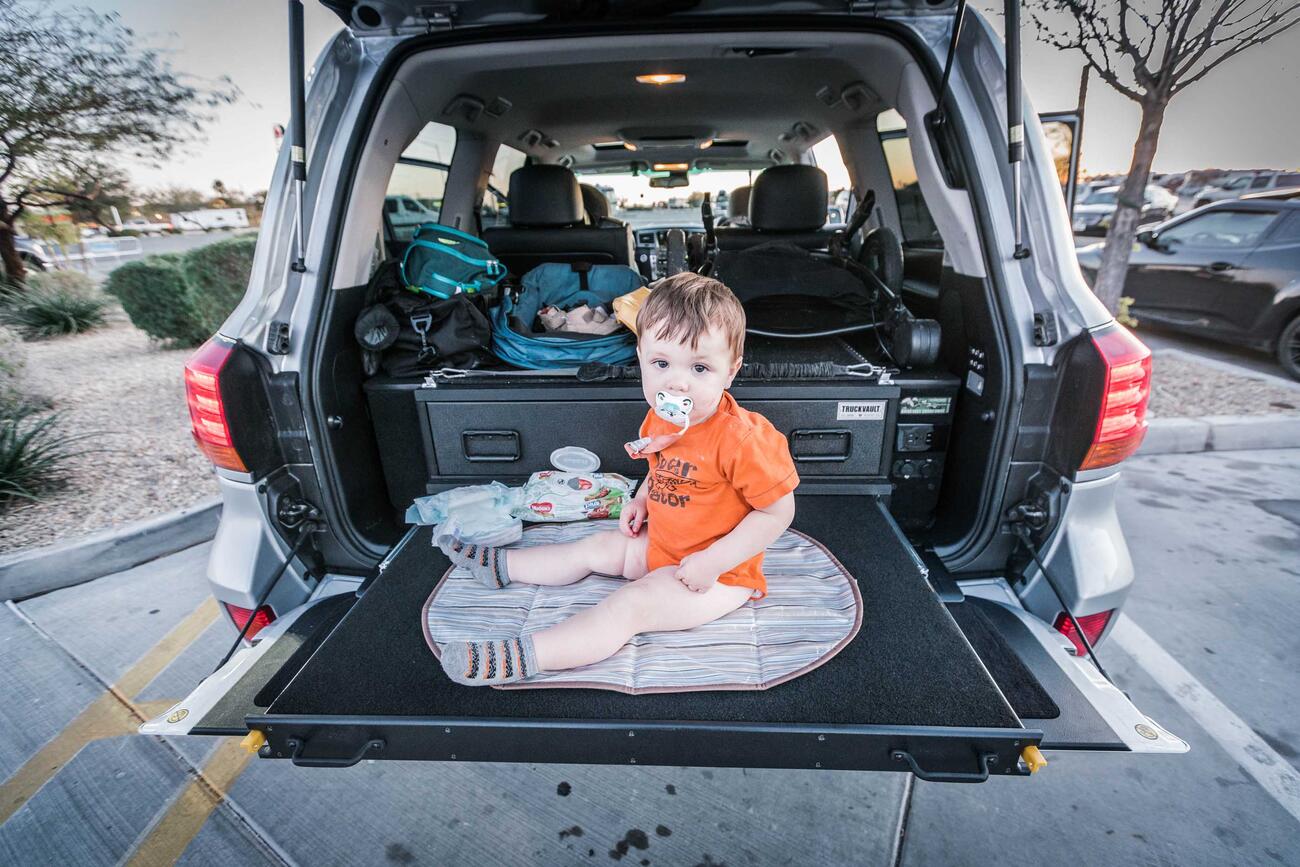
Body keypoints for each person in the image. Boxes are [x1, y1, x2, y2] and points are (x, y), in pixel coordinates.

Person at [435, 273, 799, 685]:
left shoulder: (744, 440)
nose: (676, 382)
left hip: (718, 576)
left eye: (700, 367)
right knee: (596, 546)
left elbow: (777, 512)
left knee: (630, 605)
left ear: (730, 373)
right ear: (640, 356)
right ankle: (502, 565)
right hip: (663, 546)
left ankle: (525, 655)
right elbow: (659, 469)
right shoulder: (661, 418)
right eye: (661, 363)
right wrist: (643, 500)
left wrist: (713, 563)